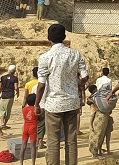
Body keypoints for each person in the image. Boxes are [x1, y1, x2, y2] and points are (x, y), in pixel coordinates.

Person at [35, 24, 89, 165]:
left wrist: (36, 105)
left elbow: (41, 85)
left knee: (53, 142)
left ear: (48, 38)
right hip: (72, 102)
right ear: (64, 37)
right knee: (71, 141)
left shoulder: (45, 57)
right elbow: (84, 77)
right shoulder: (75, 54)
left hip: (53, 104)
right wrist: (76, 84)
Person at [0, 64, 19, 129]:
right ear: (14, 71)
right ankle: (4, 124)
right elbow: (16, 87)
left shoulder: (3, 77)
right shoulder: (15, 78)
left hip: (3, 95)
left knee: (2, 110)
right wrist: (18, 92)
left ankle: (2, 123)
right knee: (8, 110)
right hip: (10, 96)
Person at [20, 94, 37, 165]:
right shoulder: (36, 109)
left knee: (23, 146)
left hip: (25, 127)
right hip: (33, 128)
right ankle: (33, 163)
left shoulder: (24, 109)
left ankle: (21, 162)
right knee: (32, 147)